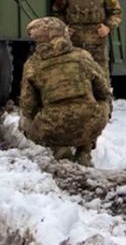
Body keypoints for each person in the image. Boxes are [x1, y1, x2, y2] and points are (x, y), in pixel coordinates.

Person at [19, 17, 112, 166]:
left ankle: (60, 150)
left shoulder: (32, 65)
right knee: (100, 104)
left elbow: (28, 106)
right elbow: (103, 91)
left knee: (24, 121)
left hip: (53, 127)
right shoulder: (82, 56)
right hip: (90, 123)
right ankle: (84, 151)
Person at [52, 0, 122, 75]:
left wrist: (108, 27)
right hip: (74, 41)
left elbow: (116, 12)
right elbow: (57, 12)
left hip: (97, 41)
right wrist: (64, 29)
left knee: (100, 79)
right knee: (74, 78)